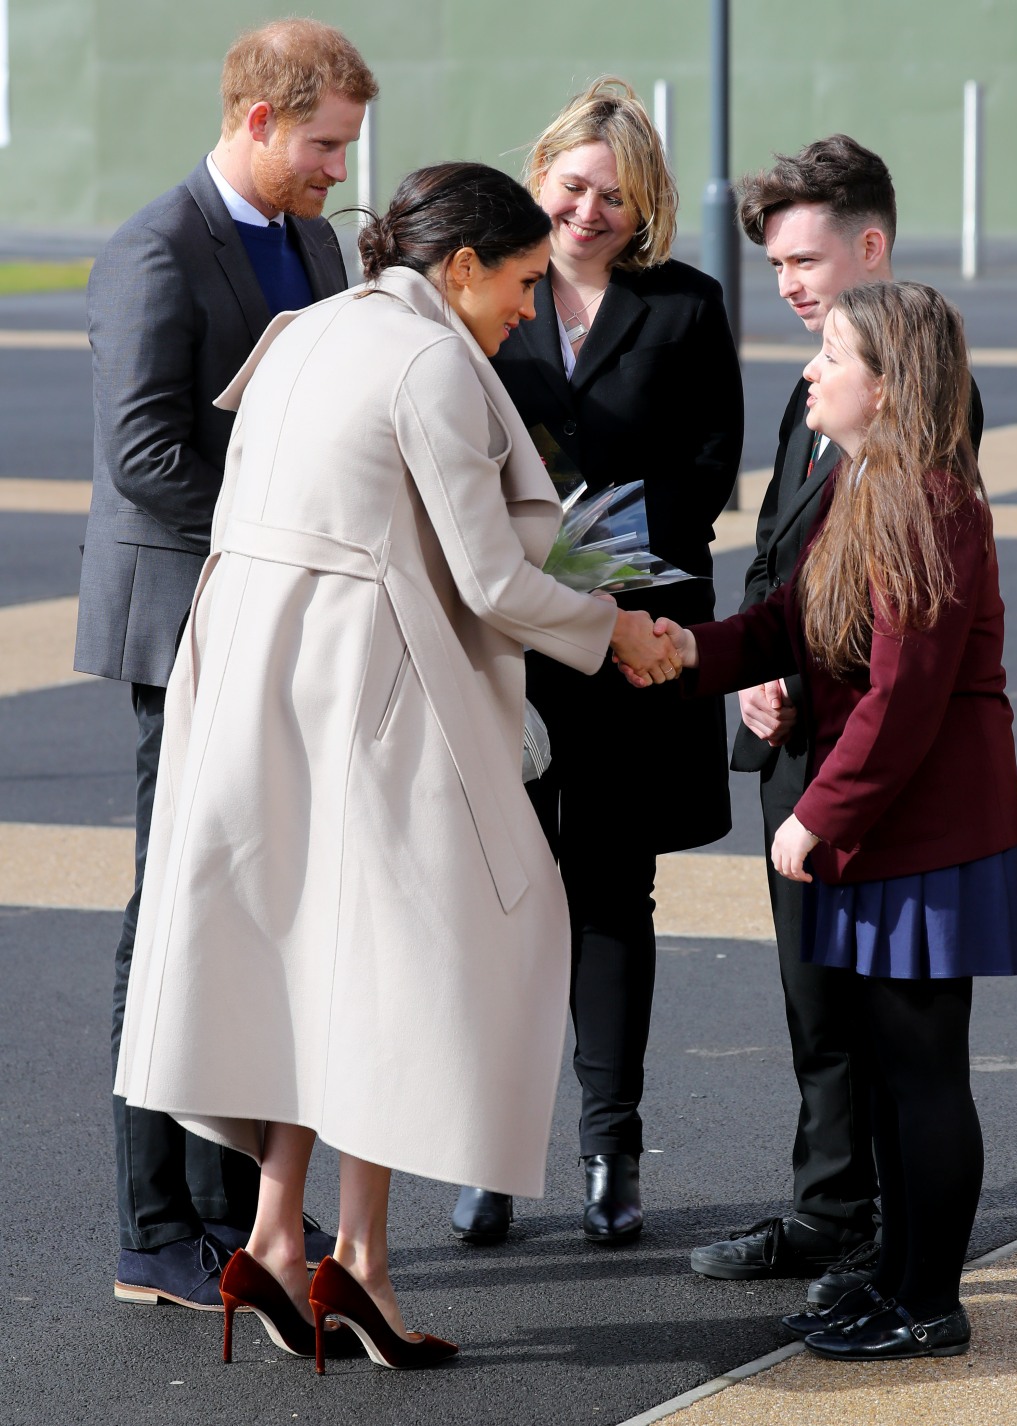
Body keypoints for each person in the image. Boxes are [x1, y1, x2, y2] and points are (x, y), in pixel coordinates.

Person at [114, 161, 682, 1369]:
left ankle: (276, 1238)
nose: (530, 307)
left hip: (259, 686)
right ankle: (355, 1261)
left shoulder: (304, 330)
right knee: (413, 961)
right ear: (461, 264)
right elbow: (486, 577)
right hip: (373, 689)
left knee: (310, 962)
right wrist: (617, 629)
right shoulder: (430, 361)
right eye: (522, 281)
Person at [643, 280, 1017, 1360]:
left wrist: (816, 816)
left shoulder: (925, 496)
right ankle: (888, 1275)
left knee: (921, 1070)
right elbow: (794, 618)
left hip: (927, 836)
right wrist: (692, 650)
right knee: (888, 1069)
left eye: (828, 354)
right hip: (890, 831)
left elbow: (904, 693)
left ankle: (928, 1301)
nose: (806, 370)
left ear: (882, 385)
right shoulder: (867, 481)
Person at [74, 18, 377, 1309]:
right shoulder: (154, 248)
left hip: (276, 625)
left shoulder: (312, 240)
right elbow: (144, 452)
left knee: (253, 920)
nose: (336, 172)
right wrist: (287, 536)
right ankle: (155, 1228)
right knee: (173, 922)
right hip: (187, 622)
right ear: (257, 119)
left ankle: (231, 1210)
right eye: (322, 146)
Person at [689, 135, 984, 1306]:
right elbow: (782, 562)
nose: (790, 283)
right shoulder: (814, 383)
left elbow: (907, 624)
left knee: (898, 1044)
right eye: (773, 264)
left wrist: (799, 684)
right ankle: (835, 1214)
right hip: (796, 738)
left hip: (874, 767)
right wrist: (739, 665)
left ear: (871, 246)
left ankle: (899, 1269)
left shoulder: (915, 403)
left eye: (806, 258)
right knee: (816, 1007)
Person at [449, 78, 743, 1246]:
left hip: (632, 637)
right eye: (571, 186)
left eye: (612, 198)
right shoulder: (479, 297)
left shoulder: (683, 306)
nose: (586, 212)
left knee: (613, 898)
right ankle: (484, 1153)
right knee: (496, 900)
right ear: (539, 178)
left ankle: (608, 1155)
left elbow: (706, 468)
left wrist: (601, 560)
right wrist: (537, 569)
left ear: (646, 206)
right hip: (507, 643)